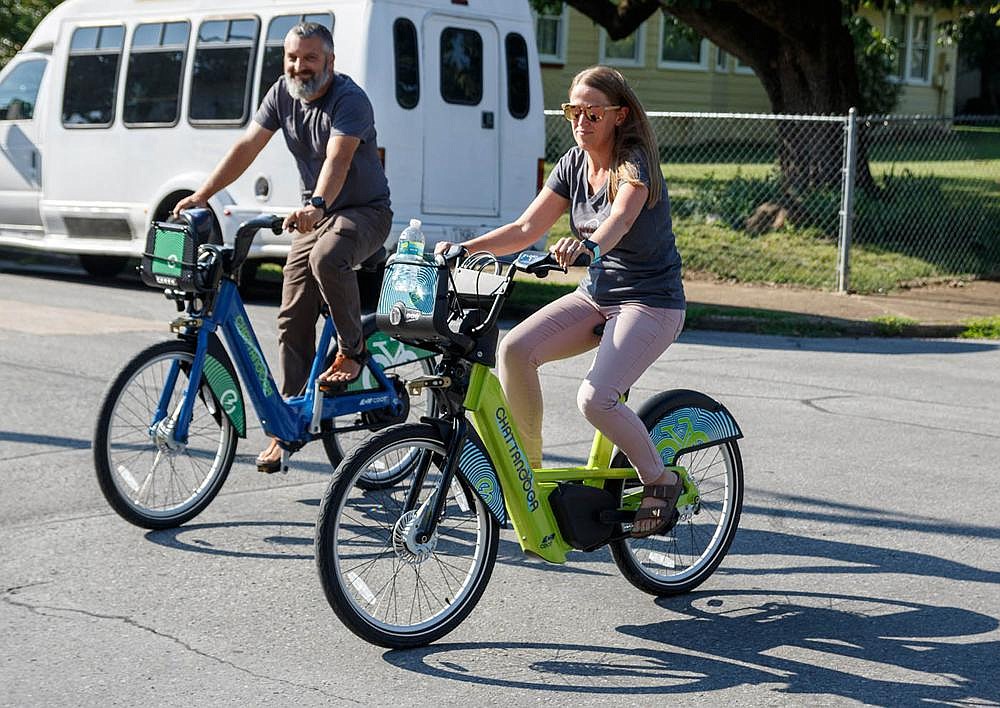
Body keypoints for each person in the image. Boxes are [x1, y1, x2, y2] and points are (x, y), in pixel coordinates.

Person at [436, 66, 686, 538]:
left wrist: (589, 245)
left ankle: (661, 479)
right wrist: (467, 250)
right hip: (597, 295)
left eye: (594, 112)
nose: (582, 120)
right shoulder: (572, 163)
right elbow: (526, 229)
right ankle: (524, 471)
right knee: (514, 350)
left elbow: (620, 219)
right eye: (574, 110)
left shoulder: (634, 163)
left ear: (619, 116)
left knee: (596, 399)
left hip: (651, 302)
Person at [173, 22, 392, 472]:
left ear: (329, 61)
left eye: (310, 58)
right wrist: (204, 194)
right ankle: (285, 426)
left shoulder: (350, 99)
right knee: (292, 318)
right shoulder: (282, 93)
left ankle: (352, 352)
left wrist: (315, 203)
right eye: (293, 57)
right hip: (318, 213)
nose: (300, 66)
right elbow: (247, 146)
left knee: (327, 256)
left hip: (363, 211)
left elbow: (338, 158)